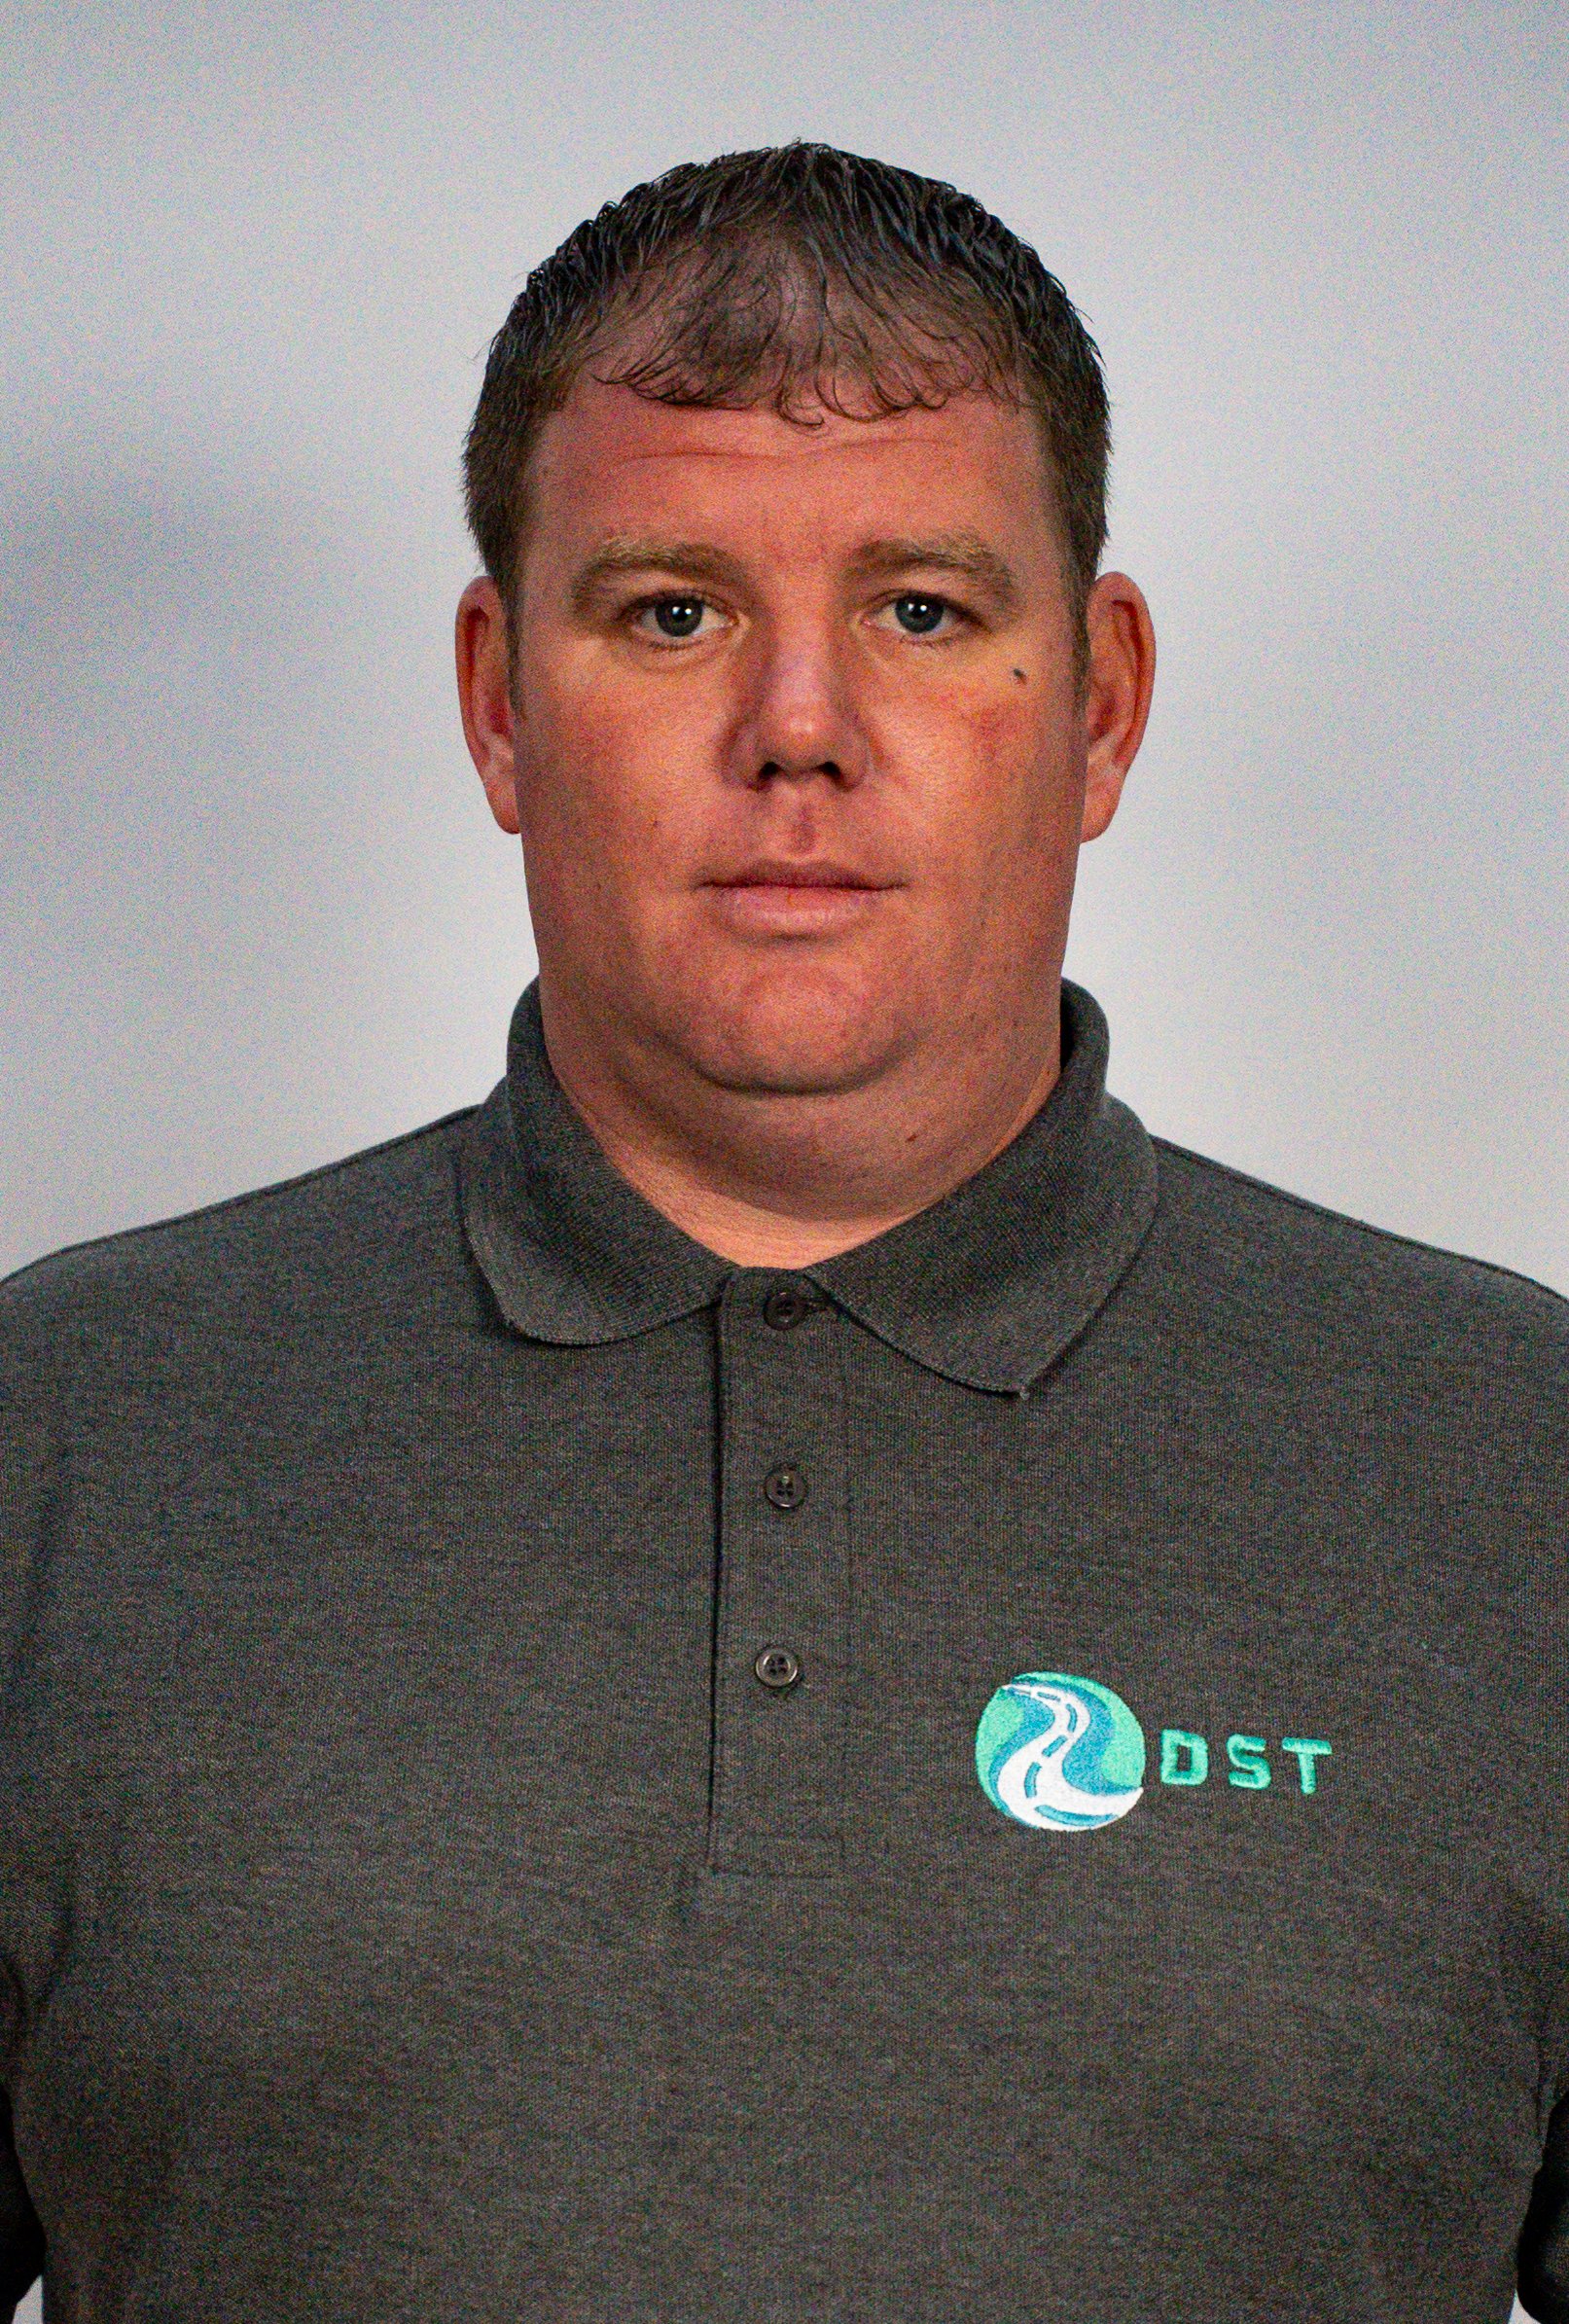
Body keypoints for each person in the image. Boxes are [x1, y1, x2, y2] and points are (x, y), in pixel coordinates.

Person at [0, 141, 1564, 2324]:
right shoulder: (60, 1433)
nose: (799, 733)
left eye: (922, 610)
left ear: (1100, 703)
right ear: (497, 701)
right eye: (673, 612)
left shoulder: (1520, 1465)